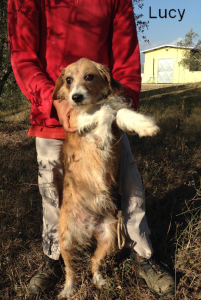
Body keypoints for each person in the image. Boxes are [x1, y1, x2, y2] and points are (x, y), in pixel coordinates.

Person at [7, 0, 175, 297]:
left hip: (103, 112)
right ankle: (54, 256)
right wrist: (52, 100)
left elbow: (125, 56)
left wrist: (123, 104)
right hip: (52, 115)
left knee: (127, 184)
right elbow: (23, 55)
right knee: (53, 191)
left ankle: (142, 253)